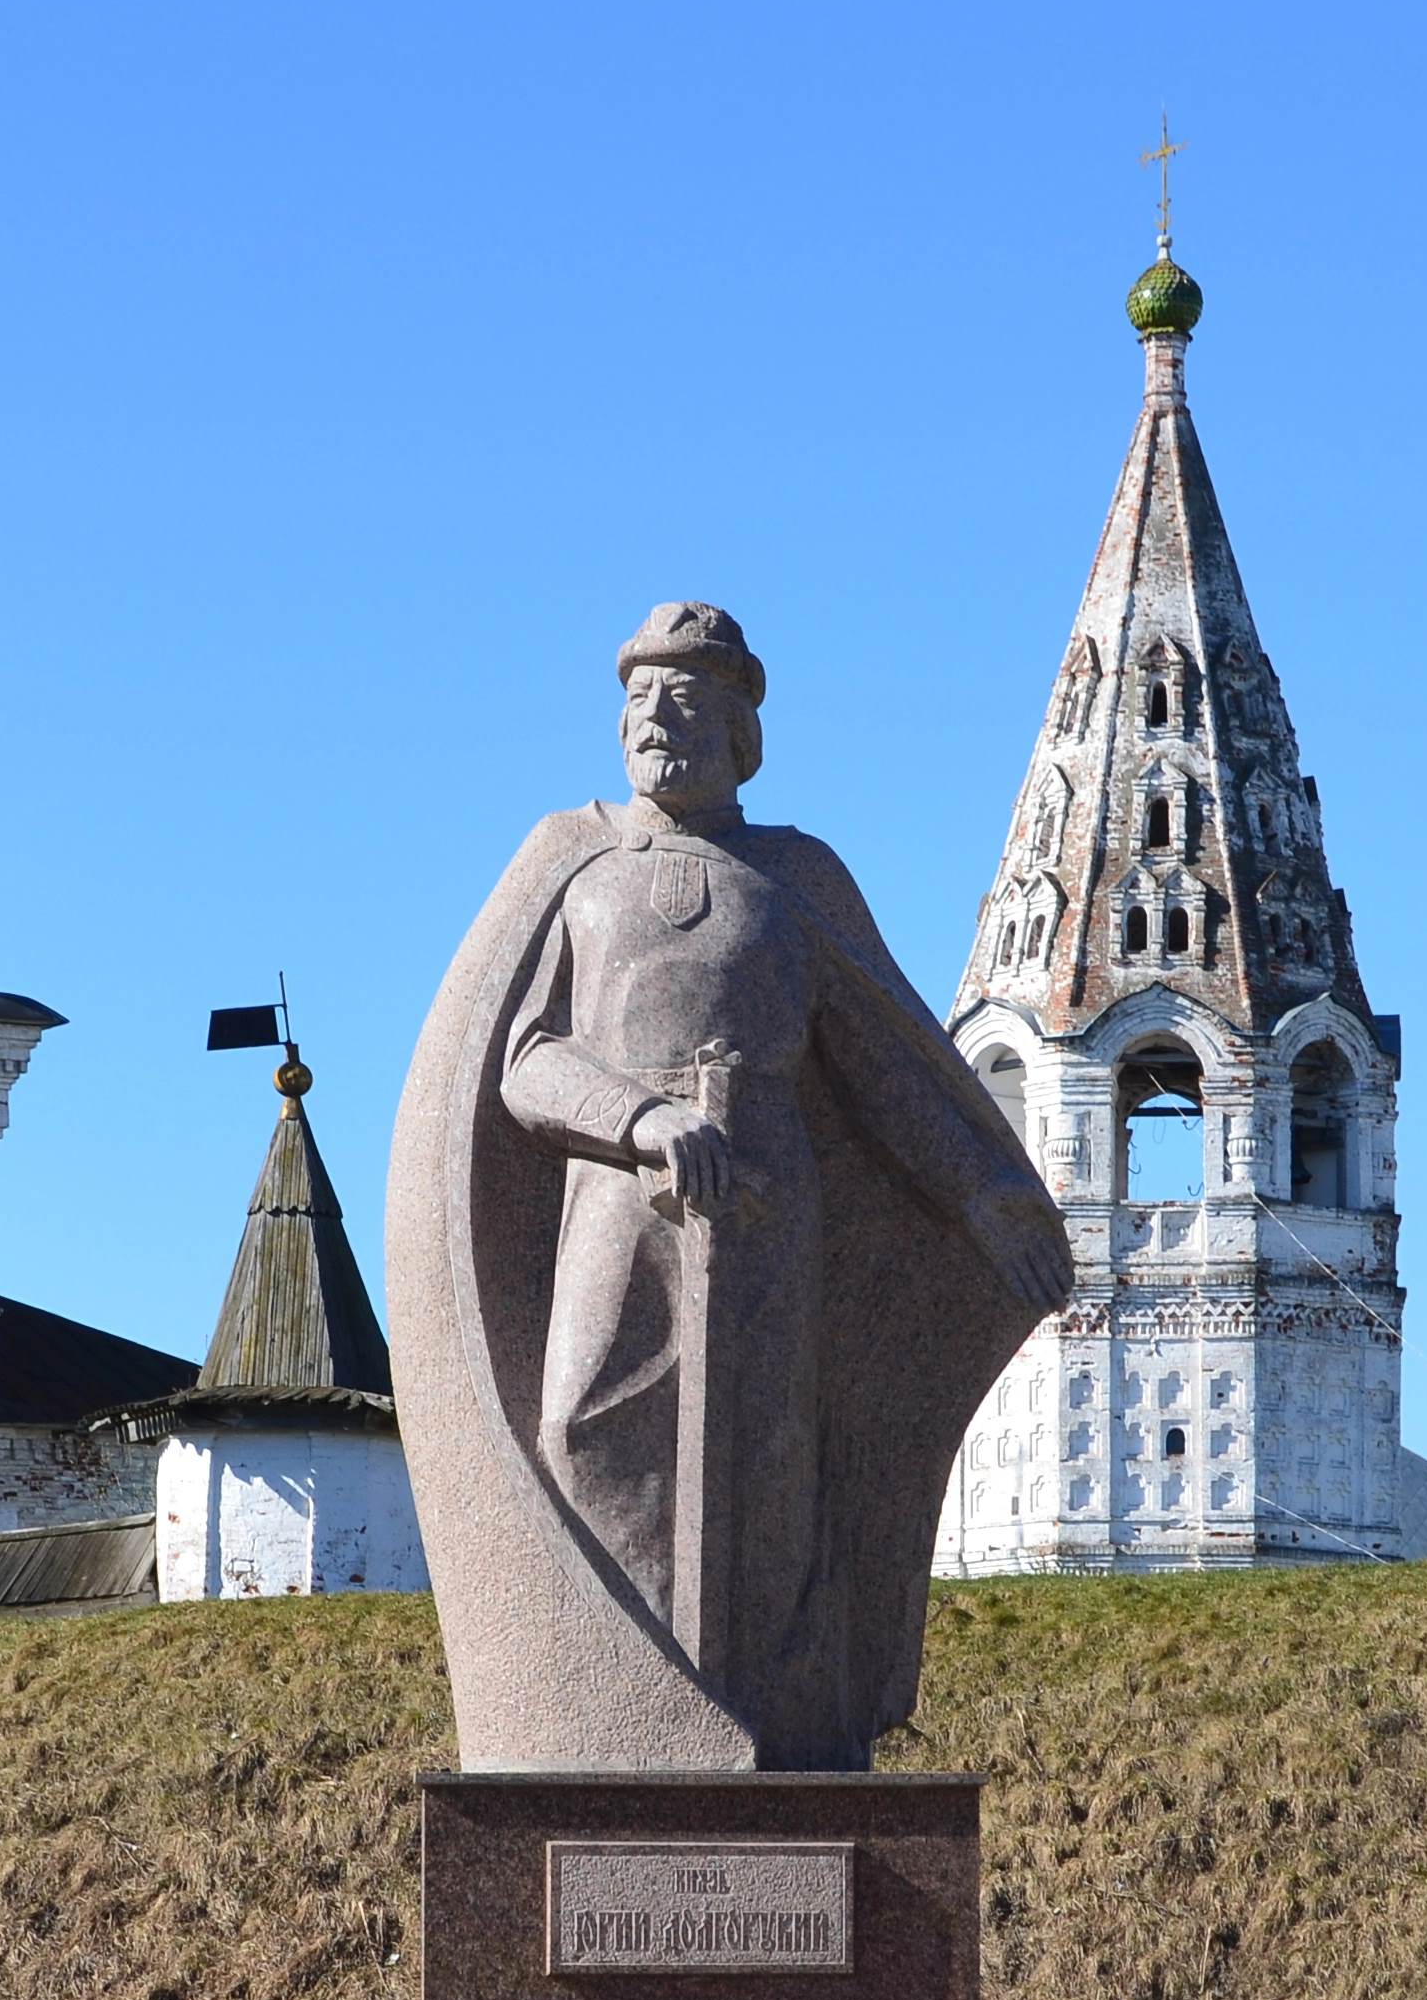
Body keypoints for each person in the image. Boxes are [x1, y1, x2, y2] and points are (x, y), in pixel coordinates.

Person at [390, 603, 1070, 1771]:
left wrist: (979, 1197)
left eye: (690, 701)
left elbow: (885, 1069)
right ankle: (618, 1711)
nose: (660, 721)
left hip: (766, 1205)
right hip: (625, 1194)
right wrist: (641, 1119)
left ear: (741, 731)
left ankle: (761, 1721)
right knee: (582, 1428)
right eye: (642, 700)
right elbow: (521, 1060)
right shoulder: (577, 861)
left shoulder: (795, 879)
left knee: (768, 1462)